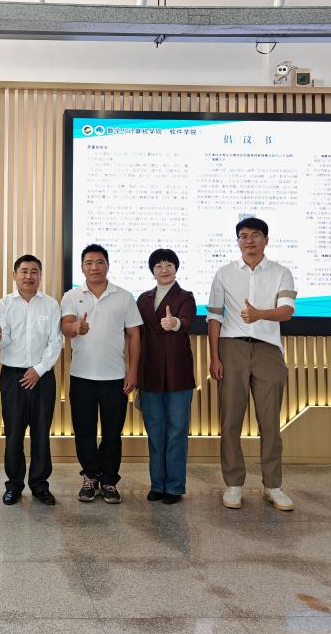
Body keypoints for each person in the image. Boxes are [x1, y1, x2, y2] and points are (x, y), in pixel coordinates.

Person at [207, 217, 297, 512]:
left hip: (268, 349)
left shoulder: (281, 272)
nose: (249, 241)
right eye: (243, 236)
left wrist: (259, 314)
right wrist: (214, 357)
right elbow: (214, 317)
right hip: (231, 347)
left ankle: (273, 485)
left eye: (256, 235)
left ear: (266, 240)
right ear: (238, 241)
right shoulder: (224, 273)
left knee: (270, 423)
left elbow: (287, 311)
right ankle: (233, 484)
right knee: (230, 420)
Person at [60, 244, 142, 504]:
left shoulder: (124, 296)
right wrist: (76, 327)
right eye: (89, 263)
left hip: (115, 377)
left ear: (107, 265)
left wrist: (132, 372)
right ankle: (90, 477)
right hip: (81, 376)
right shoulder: (71, 295)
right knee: (83, 430)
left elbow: (134, 335)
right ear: (82, 267)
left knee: (112, 432)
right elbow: (65, 326)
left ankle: (108, 480)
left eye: (99, 262)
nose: (94, 267)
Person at [0, 254, 63, 505]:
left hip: (42, 377)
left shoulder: (51, 304)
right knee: (13, 434)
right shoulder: (4, 304)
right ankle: (13, 485)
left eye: (34, 271)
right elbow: (5, 337)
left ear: (40, 276)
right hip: (13, 376)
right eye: (24, 271)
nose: (28, 276)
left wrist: (39, 370)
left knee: (41, 433)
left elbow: (56, 341)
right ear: (14, 275)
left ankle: (40, 485)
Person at [136, 248, 197, 504]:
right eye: (159, 265)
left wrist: (175, 324)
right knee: (155, 430)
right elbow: (134, 332)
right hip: (149, 370)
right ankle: (157, 484)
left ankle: (173, 487)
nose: (164, 269)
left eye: (169, 264)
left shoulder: (185, 296)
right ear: (152, 270)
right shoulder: (143, 298)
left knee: (177, 431)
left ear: (176, 268)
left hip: (177, 371)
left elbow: (187, 321)